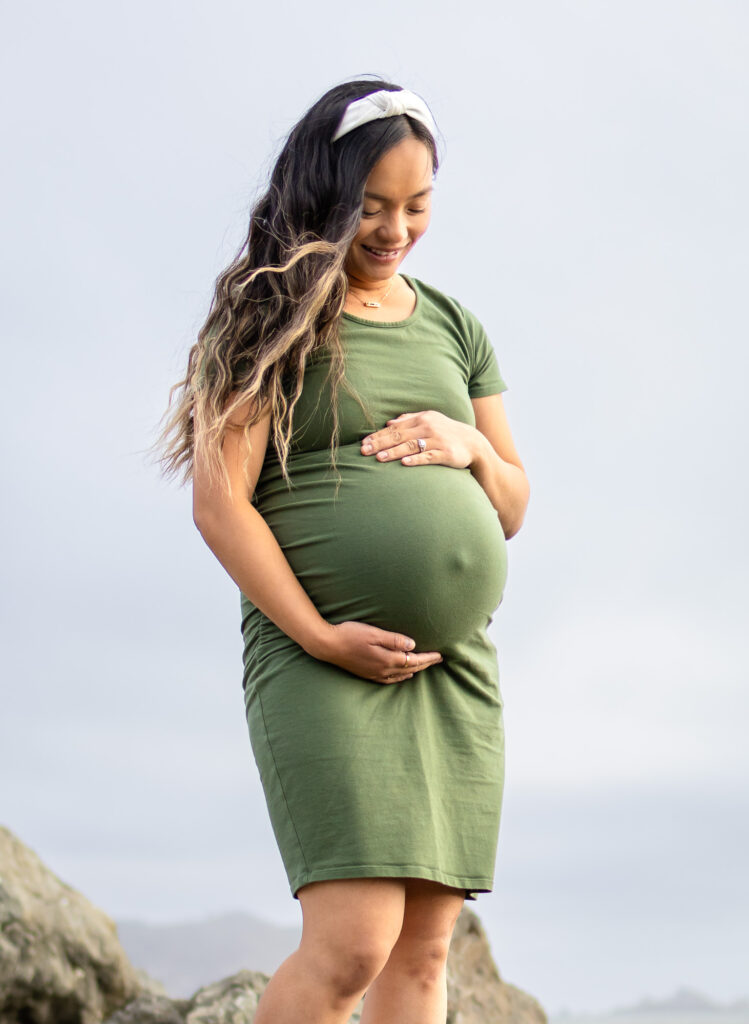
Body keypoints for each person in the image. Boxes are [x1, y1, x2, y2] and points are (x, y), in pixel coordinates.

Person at [159, 79, 530, 1024]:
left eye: (416, 205)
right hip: (317, 658)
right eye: (371, 206)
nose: (395, 227)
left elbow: (516, 505)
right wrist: (324, 637)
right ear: (322, 195)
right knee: (352, 946)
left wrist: (472, 449)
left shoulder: (455, 326)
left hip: (452, 668)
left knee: (424, 954)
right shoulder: (271, 315)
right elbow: (218, 504)